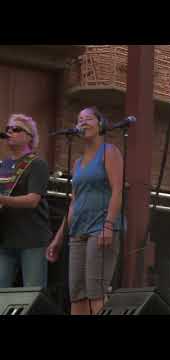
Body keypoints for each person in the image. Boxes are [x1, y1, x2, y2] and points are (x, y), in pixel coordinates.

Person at [46, 106, 124, 315]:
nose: (83, 122)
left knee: (95, 292)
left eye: (89, 118)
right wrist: (58, 238)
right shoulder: (77, 163)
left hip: (100, 228)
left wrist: (108, 224)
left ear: (101, 125)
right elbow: (74, 202)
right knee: (77, 294)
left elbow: (117, 190)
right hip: (77, 231)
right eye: (80, 119)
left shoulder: (109, 151)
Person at [0, 114, 51, 288]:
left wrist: (2, 199)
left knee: (32, 292)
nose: (9, 132)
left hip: (32, 239)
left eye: (16, 129)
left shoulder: (37, 164)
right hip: (5, 238)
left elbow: (32, 200)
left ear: (30, 137)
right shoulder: (2, 165)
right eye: (8, 129)